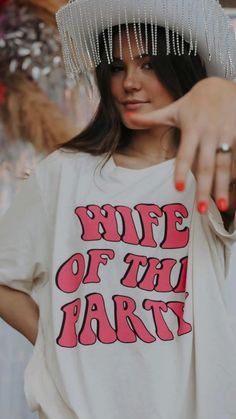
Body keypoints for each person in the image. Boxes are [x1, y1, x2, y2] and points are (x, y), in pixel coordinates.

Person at [0, 1, 236, 419]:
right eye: (116, 68)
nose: (129, 83)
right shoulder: (63, 175)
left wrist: (223, 94)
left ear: (182, 73)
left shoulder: (211, 169)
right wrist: (52, 345)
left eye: (148, 65)